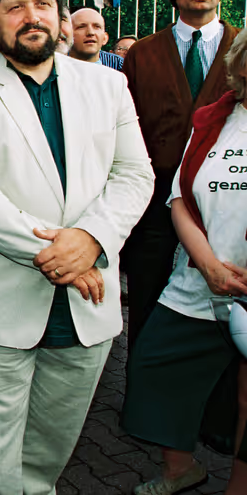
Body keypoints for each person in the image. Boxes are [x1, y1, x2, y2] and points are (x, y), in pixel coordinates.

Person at [0, 0, 154, 494]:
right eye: (15, 8)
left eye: (43, 4)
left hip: (85, 312)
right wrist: (63, 256)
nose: (32, 17)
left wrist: (91, 240)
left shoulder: (109, 85)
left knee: (46, 460)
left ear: (60, 15)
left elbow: (134, 174)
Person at [123, 28, 247, 495]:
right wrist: (209, 264)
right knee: (154, 365)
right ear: (239, 66)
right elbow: (179, 198)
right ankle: (181, 469)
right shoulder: (212, 119)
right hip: (200, 276)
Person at [121, 0, 241, 353]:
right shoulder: (143, 53)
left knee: (225, 310)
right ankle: (142, 387)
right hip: (152, 205)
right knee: (145, 309)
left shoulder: (241, 49)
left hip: (223, 205)